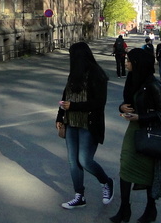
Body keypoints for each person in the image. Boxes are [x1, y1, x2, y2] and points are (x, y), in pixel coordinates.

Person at [110, 48, 161, 223]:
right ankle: (124, 209)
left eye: (129, 61)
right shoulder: (133, 79)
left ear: (138, 63)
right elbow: (129, 102)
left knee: (148, 171)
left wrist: (141, 117)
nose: (126, 63)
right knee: (125, 164)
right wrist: (122, 107)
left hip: (150, 131)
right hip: (134, 128)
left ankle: (150, 209)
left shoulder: (153, 84)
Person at [56, 42, 115, 210]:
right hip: (71, 122)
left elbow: (99, 103)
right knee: (72, 161)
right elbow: (65, 96)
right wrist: (60, 116)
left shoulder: (96, 75)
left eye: (72, 56)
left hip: (89, 124)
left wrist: (73, 106)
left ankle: (106, 182)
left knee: (84, 160)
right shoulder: (74, 74)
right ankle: (79, 196)